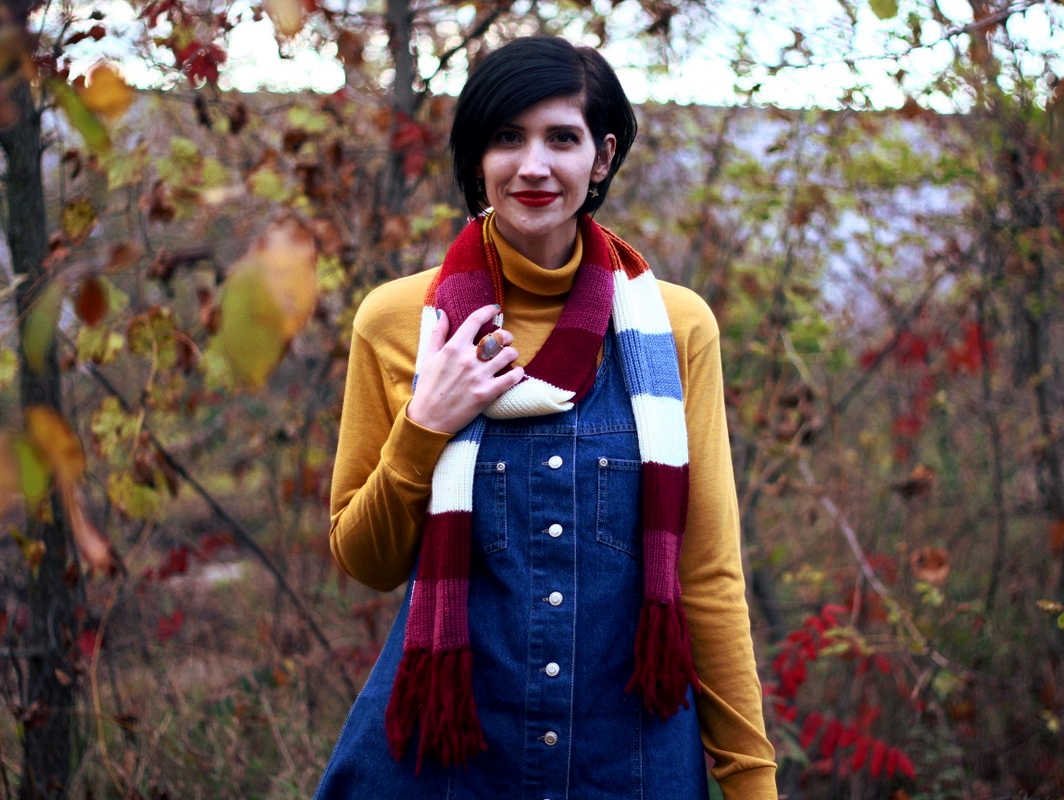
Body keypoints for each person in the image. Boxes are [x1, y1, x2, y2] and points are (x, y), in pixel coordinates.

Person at [314, 35, 777, 799]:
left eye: (561, 138)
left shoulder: (675, 327)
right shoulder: (400, 321)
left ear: (602, 157)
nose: (533, 165)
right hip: (448, 760)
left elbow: (708, 576)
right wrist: (425, 424)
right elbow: (368, 562)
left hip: (627, 763)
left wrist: (751, 781)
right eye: (507, 137)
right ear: (477, 158)